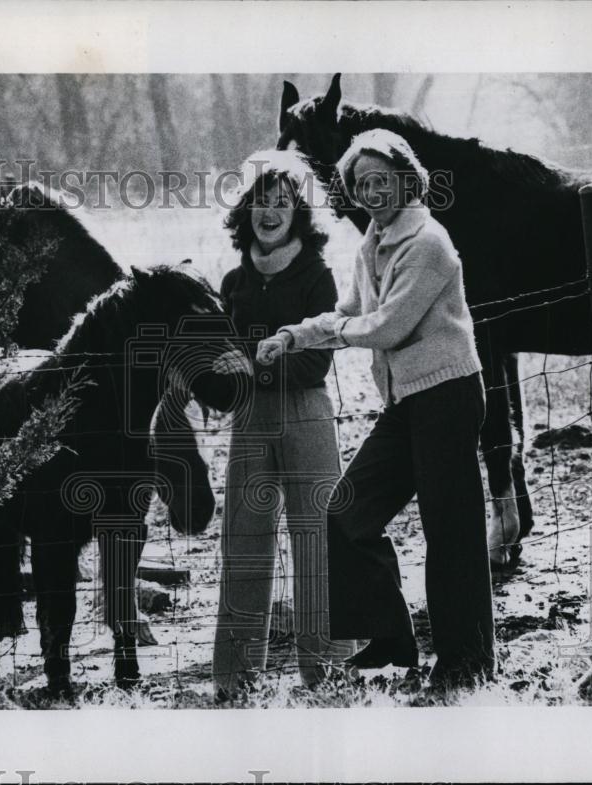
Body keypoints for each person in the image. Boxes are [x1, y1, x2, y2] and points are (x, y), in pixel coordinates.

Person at [256, 129, 495, 690]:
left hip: (447, 395)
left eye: (380, 180)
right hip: (408, 400)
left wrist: (335, 330)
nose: (371, 192)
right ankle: (390, 636)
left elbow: (387, 326)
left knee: (451, 532)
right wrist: (294, 335)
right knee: (344, 512)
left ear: (406, 177)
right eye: (360, 184)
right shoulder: (374, 240)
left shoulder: (428, 242)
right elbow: (348, 311)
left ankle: (467, 664)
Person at [211, 150, 354, 698]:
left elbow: (316, 359)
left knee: (317, 537)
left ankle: (326, 671)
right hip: (249, 423)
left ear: (300, 212)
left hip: (307, 415)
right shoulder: (233, 282)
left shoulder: (317, 276)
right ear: (245, 209)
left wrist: (252, 365)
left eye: (282, 203)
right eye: (259, 202)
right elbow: (221, 365)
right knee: (244, 540)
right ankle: (235, 678)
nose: (269, 213)